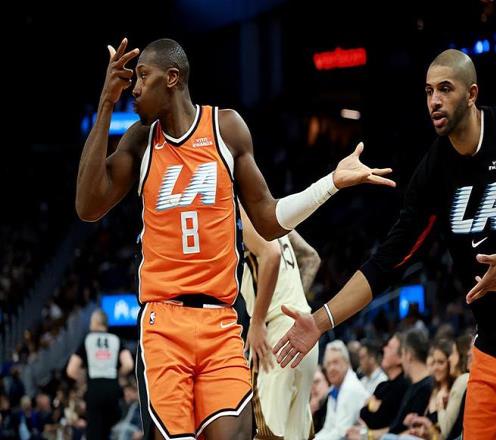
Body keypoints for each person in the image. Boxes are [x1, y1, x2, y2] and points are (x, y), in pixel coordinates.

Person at [75, 36, 395, 440]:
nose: (133, 89)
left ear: (172, 78)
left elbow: (270, 220)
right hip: (164, 323)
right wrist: (106, 102)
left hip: (221, 322)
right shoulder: (140, 142)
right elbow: (88, 205)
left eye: (142, 76)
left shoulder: (225, 129)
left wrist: (330, 182)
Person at [273, 48, 496, 439]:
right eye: (428, 91)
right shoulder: (432, 173)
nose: (434, 100)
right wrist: (320, 321)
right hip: (491, 348)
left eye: (445, 89)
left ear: (472, 94)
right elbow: (386, 263)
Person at [240, 207, 321, 439]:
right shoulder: (273, 215)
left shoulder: (238, 211)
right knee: (297, 435)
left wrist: (258, 321)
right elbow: (312, 258)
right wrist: (290, 306)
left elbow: (272, 255)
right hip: (304, 326)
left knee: (266, 433)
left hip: (273, 332)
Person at [66, 309, 134, 440]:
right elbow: (129, 364)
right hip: (112, 389)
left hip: (94, 390)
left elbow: (71, 369)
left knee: (94, 433)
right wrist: (117, 375)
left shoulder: (88, 339)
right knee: (110, 431)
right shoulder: (116, 339)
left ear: (96, 322)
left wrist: (84, 380)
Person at [346, 333, 410, 439]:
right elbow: (363, 413)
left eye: (389, 347)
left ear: (401, 357)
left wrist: (367, 433)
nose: (384, 349)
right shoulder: (382, 386)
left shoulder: (404, 386)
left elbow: (394, 427)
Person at [315, 340, 369, 440]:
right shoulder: (334, 389)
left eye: (335, 362)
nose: (331, 368)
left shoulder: (351, 388)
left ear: (347, 363)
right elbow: (328, 428)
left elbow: (341, 433)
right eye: (328, 364)